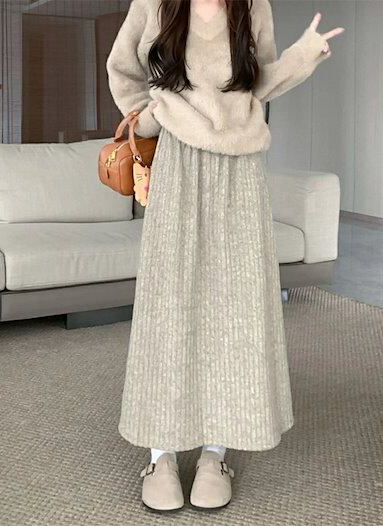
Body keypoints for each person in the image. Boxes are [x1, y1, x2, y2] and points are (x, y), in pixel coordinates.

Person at [106, 0, 344, 512]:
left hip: (240, 168)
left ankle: (216, 452)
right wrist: (151, 117)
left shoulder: (252, 5)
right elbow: (122, 69)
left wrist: (305, 55)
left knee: (235, 308)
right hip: (177, 161)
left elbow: (259, 82)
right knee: (168, 307)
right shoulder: (152, 3)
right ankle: (162, 455)